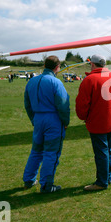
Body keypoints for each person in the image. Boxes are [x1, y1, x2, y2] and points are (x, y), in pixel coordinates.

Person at [76, 54, 111, 191]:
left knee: (101, 153)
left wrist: (84, 117)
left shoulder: (89, 80)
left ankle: (101, 182)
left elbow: (82, 105)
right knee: (108, 151)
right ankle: (107, 177)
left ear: (92, 64)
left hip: (98, 123)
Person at [23, 55, 70, 193]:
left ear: (44, 65)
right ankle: (46, 185)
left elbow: (27, 104)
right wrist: (65, 122)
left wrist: (34, 119)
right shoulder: (56, 83)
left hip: (38, 119)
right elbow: (63, 105)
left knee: (36, 151)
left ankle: (29, 179)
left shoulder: (31, 81)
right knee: (51, 152)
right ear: (57, 67)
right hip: (53, 120)